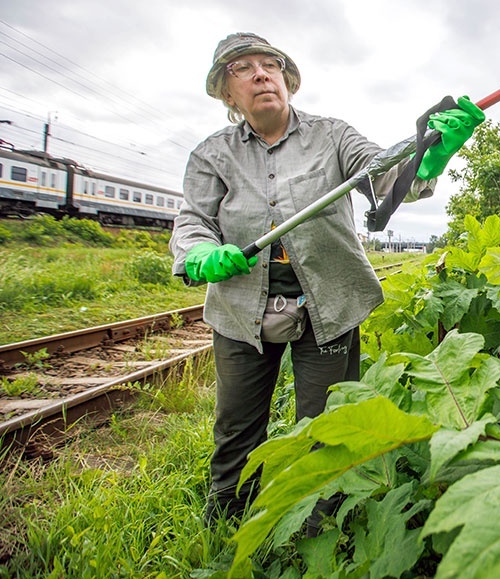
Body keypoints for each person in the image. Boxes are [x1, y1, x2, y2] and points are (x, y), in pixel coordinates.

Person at [169, 32, 483, 526]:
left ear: (287, 79)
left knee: (326, 425)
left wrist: (427, 157)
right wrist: (201, 253)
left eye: (269, 64)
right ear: (227, 93)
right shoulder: (213, 155)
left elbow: (385, 174)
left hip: (327, 304)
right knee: (236, 427)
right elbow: (193, 221)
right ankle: (227, 519)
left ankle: (321, 525)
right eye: (242, 68)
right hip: (239, 308)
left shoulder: (333, 136)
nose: (260, 74)